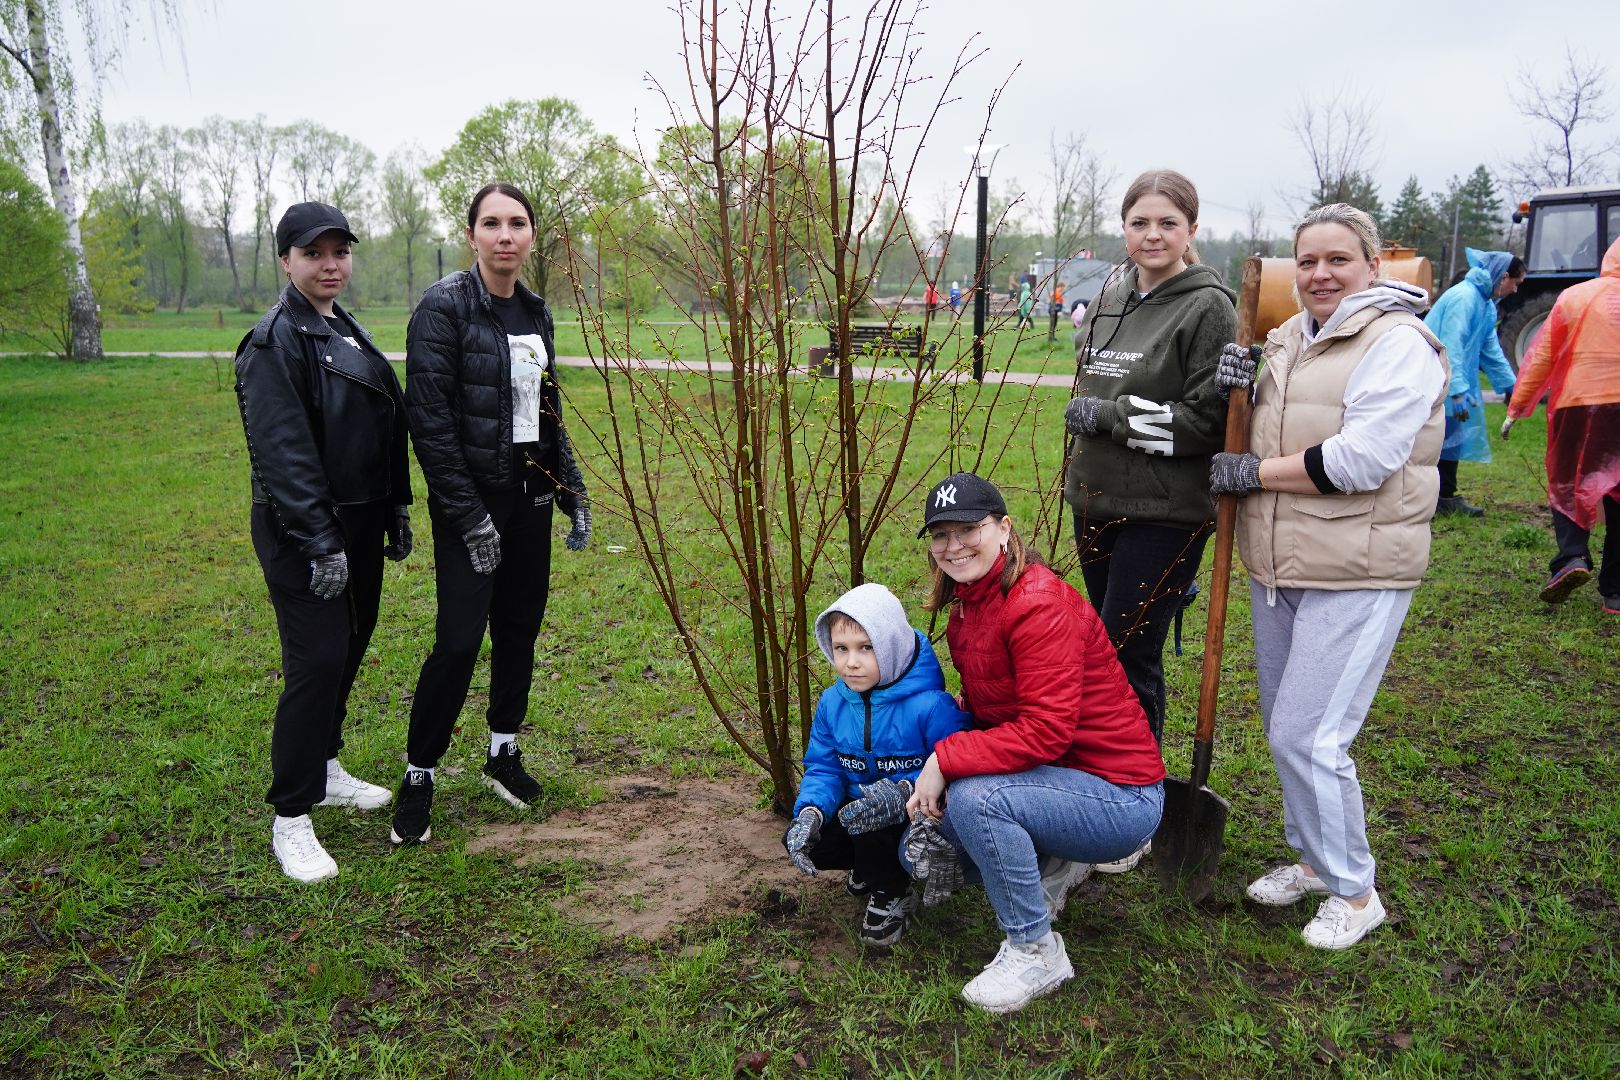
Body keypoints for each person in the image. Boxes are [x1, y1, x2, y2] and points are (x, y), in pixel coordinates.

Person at [1209, 203, 1448, 950]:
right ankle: (1315, 861)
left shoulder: (1398, 343)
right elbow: (1263, 418)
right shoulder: (1285, 339)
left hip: (1359, 567)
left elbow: (1362, 460)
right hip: (1283, 564)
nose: (1320, 274)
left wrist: (1255, 472)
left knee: (1313, 735)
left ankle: (1355, 889)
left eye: (1338, 259)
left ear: (1373, 266)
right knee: (1289, 733)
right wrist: (1236, 380)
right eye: (1307, 260)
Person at [903, 472, 1165, 1014]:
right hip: (1059, 781)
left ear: (1003, 529)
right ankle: (1055, 865)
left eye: (967, 529)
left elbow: (1045, 731)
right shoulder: (968, 607)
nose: (953, 547)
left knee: (977, 799)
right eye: (939, 535)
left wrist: (947, 760)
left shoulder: (1039, 604)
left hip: (1121, 796)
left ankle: (1036, 949)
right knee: (942, 815)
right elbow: (990, 714)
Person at [391, 182, 592, 845]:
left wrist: (570, 489)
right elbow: (430, 425)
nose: (505, 235)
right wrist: (470, 517)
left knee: (518, 629)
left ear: (532, 236)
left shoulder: (535, 312)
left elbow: (546, 408)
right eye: (492, 224)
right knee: (456, 641)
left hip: (528, 499)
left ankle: (502, 752)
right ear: (472, 233)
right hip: (470, 507)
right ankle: (419, 773)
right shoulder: (442, 309)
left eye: (518, 223)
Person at [1061, 169, 1235, 876]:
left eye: (1168, 222)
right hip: (1096, 500)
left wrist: (1113, 420)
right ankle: (1107, 784)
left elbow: (1210, 423)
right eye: (1140, 223)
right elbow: (1089, 376)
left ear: (1191, 229)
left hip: (1165, 511)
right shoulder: (1109, 293)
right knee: (1106, 649)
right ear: (1124, 228)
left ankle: (1130, 810)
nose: (1152, 235)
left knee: (1124, 651)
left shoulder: (1209, 308)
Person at [233, 202, 413, 882]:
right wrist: (317, 540)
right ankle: (291, 815)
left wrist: (394, 507)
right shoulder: (276, 340)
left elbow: (381, 420)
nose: (331, 263)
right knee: (316, 664)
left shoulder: (342, 327)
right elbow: (282, 454)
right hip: (305, 530)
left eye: (340, 251)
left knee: (349, 649)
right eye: (315, 253)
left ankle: (326, 767)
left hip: (360, 523)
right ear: (286, 260)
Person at [781, 584, 969, 946]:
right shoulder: (833, 703)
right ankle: (868, 869)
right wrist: (811, 814)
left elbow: (955, 765)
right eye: (841, 648)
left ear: (892, 645)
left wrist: (904, 791)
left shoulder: (931, 705)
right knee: (810, 840)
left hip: (912, 815)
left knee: (877, 827)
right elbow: (824, 767)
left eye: (866, 648)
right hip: (857, 809)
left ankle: (893, 892)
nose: (851, 661)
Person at [1503, 235, 1620, 613]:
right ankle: (1615, 592)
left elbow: (1541, 356)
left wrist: (1518, 406)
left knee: (1568, 481)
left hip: (1577, 405)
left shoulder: (1574, 296)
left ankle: (1572, 558)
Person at [1424, 248, 1523, 517]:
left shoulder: (1485, 304)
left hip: (1452, 380)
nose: (1515, 290)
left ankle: (1445, 496)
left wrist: (1511, 387)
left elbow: (1491, 351)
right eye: (1516, 283)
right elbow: (1451, 345)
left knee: (1451, 437)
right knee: (1431, 439)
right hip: (1434, 379)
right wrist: (1456, 392)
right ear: (1503, 277)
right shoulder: (1464, 298)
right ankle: (1425, 498)